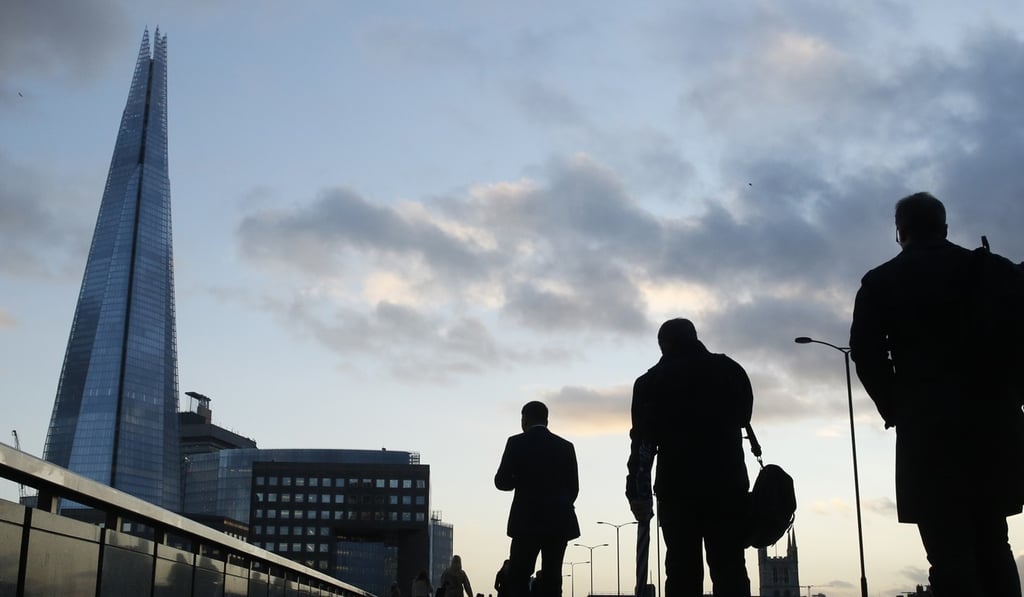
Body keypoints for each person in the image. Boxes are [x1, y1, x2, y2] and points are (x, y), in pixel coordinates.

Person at [850, 192, 1024, 596]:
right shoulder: (994, 271)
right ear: (945, 228)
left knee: (948, 552)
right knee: (994, 544)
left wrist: (897, 407)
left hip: (929, 430)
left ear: (900, 232)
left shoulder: (880, 282)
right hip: (993, 426)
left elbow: (867, 355)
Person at [626, 318, 752, 597]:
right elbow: (744, 416)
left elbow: (643, 444)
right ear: (695, 337)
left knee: (682, 570)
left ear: (663, 345)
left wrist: (637, 492)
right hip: (727, 483)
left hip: (677, 488)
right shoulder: (730, 370)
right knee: (730, 566)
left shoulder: (650, 382)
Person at [495, 401, 580, 597]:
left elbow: (502, 481)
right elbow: (573, 488)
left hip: (526, 521)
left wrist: (518, 479)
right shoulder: (566, 447)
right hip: (559, 521)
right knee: (552, 576)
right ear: (547, 420)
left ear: (524, 419)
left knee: (519, 575)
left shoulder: (516, 443)